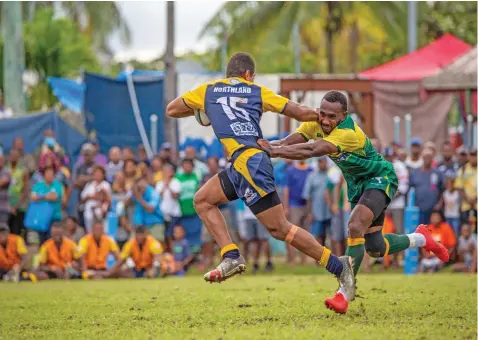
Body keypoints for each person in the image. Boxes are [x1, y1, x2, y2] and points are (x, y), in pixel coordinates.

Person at [167, 53, 356, 300]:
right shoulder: (255, 90)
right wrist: (325, 118)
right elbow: (298, 112)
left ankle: (339, 267)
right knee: (203, 200)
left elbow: (172, 109)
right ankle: (231, 255)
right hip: (245, 162)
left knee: (280, 228)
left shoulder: (207, 90)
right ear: (248, 75)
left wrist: (202, 108)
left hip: (249, 162)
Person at [258, 90, 449, 313]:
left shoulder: (348, 133)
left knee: (355, 225)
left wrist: (275, 151)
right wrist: (267, 147)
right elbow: (292, 141)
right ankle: (420, 238)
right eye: (322, 114)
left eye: (332, 117)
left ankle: (344, 293)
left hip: (379, 178)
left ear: (343, 116)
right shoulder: (317, 121)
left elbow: (312, 149)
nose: (325, 120)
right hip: (358, 185)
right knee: (375, 248)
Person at [283, 159, 313, 264]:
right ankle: (292, 259)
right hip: (294, 205)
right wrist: (286, 207)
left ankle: (303, 260)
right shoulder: (291, 171)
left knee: (305, 233)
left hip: (307, 205)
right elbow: (286, 190)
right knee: (291, 233)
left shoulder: (311, 170)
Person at [302, 157, 332, 251]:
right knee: (318, 235)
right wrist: (310, 213)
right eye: (320, 162)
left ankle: (335, 257)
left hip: (331, 211)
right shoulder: (312, 176)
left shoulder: (331, 175)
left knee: (332, 235)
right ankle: (319, 258)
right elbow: (307, 196)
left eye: (323, 161)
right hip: (317, 211)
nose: (321, 164)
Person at [30, 165, 64, 244]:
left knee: (52, 239)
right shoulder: (38, 185)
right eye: (47, 173)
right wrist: (46, 196)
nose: (49, 175)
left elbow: (54, 197)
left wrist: (40, 196)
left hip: (54, 216)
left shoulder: (58, 185)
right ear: (43, 175)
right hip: (41, 216)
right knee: (42, 238)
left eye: (51, 174)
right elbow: (33, 197)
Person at [409, 149, 444, 225]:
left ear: (432, 157)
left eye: (429, 156)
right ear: (422, 157)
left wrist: (439, 204)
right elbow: (410, 190)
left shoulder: (437, 173)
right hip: (418, 210)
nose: (427, 158)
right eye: (425, 156)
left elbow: (442, 190)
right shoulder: (415, 173)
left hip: (433, 211)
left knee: (431, 233)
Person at [175, 159, 202, 253]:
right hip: (182, 211)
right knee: (184, 234)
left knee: (196, 233)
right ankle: (186, 255)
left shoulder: (196, 177)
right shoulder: (177, 178)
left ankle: (196, 255)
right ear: (182, 167)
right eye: (185, 165)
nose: (187, 167)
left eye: (189, 165)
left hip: (194, 210)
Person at [156, 164, 181, 249]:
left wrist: (169, 185)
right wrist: (164, 185)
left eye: (168, 171)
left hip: (174, 213)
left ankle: (174, 254)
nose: (166, 173)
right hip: (162, 214)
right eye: (164, 171)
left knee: (171, 234)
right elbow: (158, 197)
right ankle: (167, 253)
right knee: (164, 235)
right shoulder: (159, 183)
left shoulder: (176, 182)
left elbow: (175, 196)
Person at [80, 166, 111, 233]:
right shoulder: (89, 184)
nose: (98, 175)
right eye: (96, 173)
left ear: (103, 175)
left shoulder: (106, 185)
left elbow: (108, 199)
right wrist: (90, 196)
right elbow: (83, 198)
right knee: (90, 228)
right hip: (89, 210)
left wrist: (100, 196)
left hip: (101, 209)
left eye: (100, 173)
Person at [7, 148, 29, 236]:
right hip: (5, 205)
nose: (13, 158)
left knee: (16, 232)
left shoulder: (23, 170)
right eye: (11, 156)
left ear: (18, 157)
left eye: (15, 156)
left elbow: (25, 189)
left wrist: (16, 206)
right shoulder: (5, 169)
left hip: (18, 206)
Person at [455, 148, 477, 230]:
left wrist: (475, 198)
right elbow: (459, 187)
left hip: (477, 205)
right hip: (466, 206)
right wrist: (468, 199)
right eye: (471, 155)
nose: (473, 157)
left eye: (475, 155)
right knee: (466, 229)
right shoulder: (463, 170)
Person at [0, 153, 11, 224]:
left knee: (2, 230)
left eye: (1, 160)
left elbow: (2, 182)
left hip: (3, 208)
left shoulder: (6, 172)